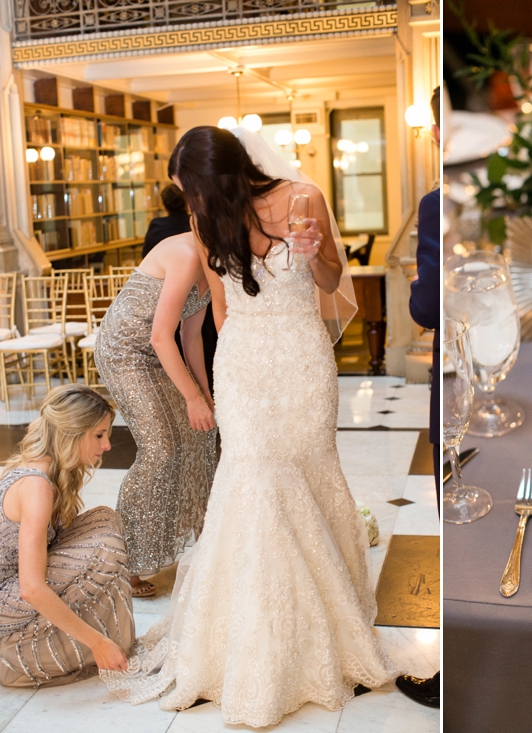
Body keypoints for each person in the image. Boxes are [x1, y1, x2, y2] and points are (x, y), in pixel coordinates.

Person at [101, 126, 397, 726]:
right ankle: (253, 646)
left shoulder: (303, 197)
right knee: (254, 483)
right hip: (244, 366)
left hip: (303, 363)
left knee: (312, 476)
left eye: (194, 188)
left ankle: (326, 629)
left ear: (223, 176)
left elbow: (335, 282)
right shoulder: (208, 226)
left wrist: (315, 253)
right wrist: (210, 388)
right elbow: (222, 313)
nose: (191, 202)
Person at [0, 384, 133, 688]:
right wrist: (96, 642)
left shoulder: (51, 470)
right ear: (72, 434)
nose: (106, 446)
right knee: (105, 548)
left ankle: (95, 637)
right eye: (99, 435)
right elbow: (32, 589)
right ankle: (22, 654)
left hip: (7, 585)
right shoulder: (36, 485)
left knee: (105, 520)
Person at [94, 229, 218, 598]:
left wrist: (205, 396)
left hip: (160, 352)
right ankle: (123, 561)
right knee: (160, 450)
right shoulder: (185, 253)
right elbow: (161, 336)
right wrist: (191, 399)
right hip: (125, 353)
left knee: (204, 433)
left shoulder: (214, 263)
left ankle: (203, 539)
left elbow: (190, 337)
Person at [396, 86, 442, 709]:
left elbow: (429, 307)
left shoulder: (437, 204)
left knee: (452, 525)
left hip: (459, 381)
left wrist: (416, 287)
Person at [142, 183, 218, 394]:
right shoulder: (192, 229)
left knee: (190, 333)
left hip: (177, 299)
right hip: (177, 300)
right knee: (201, 335)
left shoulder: (157, 225)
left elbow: (145, 254)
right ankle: (202, 391)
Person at [142, 184, 190, 258]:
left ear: (164, 207)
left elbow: (146, 255)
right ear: (186, 203)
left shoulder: (156, 225)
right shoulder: (196, 222)